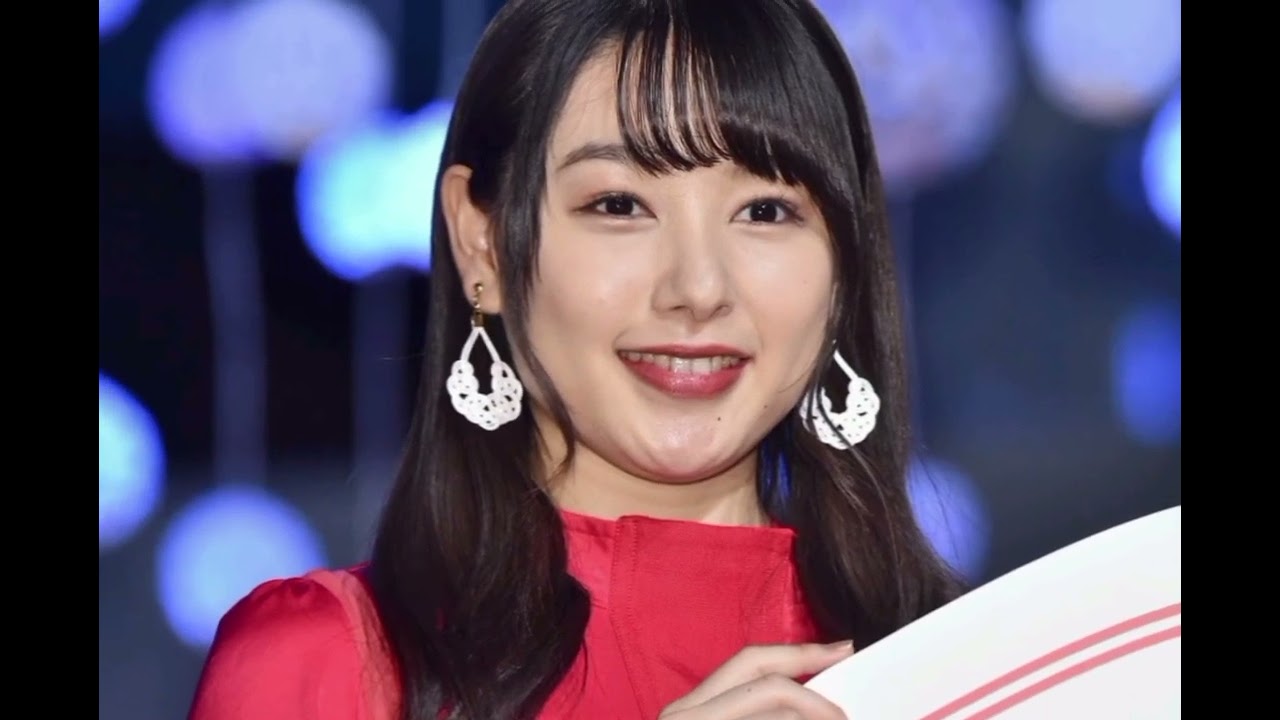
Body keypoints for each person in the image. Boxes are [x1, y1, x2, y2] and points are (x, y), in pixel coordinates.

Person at [187, 0, 965, 718]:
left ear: (844, 262)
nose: (698, 289)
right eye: (619, 205)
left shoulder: (969, 662)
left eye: (766, 210)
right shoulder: (327, 667)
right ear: (482, 241)